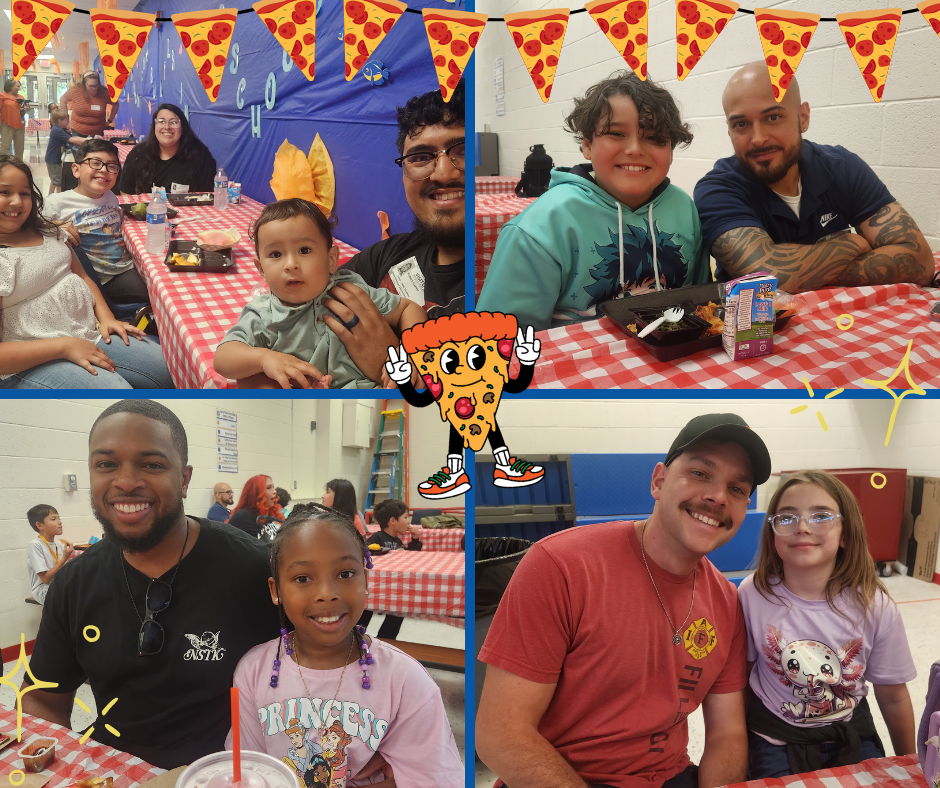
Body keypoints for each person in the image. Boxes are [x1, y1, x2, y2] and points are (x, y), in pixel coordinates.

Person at [477, 413, 773, 788]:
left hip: (669, 777)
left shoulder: (727, 603)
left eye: (736, 489)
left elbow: (726, 734)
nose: (717, 496)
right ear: (659, 481)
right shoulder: (561, 566)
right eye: (700, 473)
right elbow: (500, 734)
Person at [20, 400, 281, 769]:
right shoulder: (73, 583)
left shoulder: (257, 569)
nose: (126, 482)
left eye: (152, 465)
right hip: (115, 768)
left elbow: (330, 663)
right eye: (106, 464)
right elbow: (43, 699)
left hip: (229, 769)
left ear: (185, 479)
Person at [226, 503, 464, 788]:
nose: (327, 594)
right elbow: (247, 768)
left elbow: (435, 777)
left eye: (346, 574)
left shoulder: (405, 679)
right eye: (303, 578)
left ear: (366, 579)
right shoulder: (253, 672)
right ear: (276, 591)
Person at [477, 71, 710, 331]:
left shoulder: (684, 208)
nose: (635, 149)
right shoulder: (541, 227)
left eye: (654, 138)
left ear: (671, 149)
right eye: (616, 134)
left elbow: (700, 303)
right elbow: (501, 338)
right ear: (587, 145)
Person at [694, 63, 935, 290]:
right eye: (741, 124)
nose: (758, 138)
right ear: (729, 129)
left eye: (773, 117)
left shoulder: (842, 167)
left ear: (803, 118)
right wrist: (848, 245)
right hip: (762, 330)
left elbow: (920, 261)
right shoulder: (717, 189)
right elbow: (768, 276)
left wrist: (805, 272)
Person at [739, 470, 916, 779]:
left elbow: (894, 696)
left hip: (850, 733)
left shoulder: (874, 604)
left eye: (821, 516)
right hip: (774, 739)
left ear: (845, 534)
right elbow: (738, 681)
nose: (803, 527)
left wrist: (911, 763)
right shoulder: (753, 593)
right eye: (787, 518)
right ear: (773, 533)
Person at [321, 81, 467, 385]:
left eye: (463, 151)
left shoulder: (510, 278)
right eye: (420, 157)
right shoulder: (388, 255)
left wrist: (386, 358)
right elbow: (304, 307)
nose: (442, 173)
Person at [0, 155, 173, 389]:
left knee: (169, 370)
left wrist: (107, 318)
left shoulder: (46, 229)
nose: (17, 202)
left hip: (86, 332)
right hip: (29, 360)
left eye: (24, 193)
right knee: (118, 391)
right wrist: (65, 346)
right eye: (4, 192)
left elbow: (81, 275)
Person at [213, 198, 425, 389]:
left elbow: (409, 308)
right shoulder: (263, 315)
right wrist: (264, 359)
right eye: (276, 254)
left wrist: (412, 352)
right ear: (261, 270)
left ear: (331, 260)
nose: (291, 264)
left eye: (304, 250)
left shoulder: (350, 290)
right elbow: (223, 358)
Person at [44, 138, 149, 304]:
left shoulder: (111, 197)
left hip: (130, 265)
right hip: (104, 281)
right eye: (95, 163)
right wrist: (53, 226)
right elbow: (25, 228)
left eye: (111, 166)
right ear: (76, 169)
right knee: (157, 289)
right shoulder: (56, 203)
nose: (104, 170)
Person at [118, 104, 216, 195]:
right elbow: (126, 192)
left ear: (183, 129)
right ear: (154, 127)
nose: (167, 127)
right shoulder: (137, 154)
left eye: (173, 122)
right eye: (161, 122)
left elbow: (205, 196)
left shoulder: (200, 157)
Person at [361, 498, 421, 640]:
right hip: (374, 587)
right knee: (365, 612)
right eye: (405, 517)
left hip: (393, 587)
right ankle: (356, 638)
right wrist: (391, 552)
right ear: (393, 521)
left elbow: (410, 558)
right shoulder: (377, 537)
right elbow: (366, 554)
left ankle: (385, 640)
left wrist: (415, 541)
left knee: (398, 612)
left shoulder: (398, 541)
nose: (408, 522)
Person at [25, 504, 74, 605]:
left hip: (60, 585)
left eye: (59, 518)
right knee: (73, 599)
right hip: (43, 590)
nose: (59, 522)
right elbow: (46, 579)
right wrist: (65, 558)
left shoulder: (59, 545)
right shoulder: (35, 545)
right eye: (53, 519)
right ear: (39, 525)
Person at [61, 72, 114, 138]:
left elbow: (116, 104)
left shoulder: (104, 93)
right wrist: (66, 121)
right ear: (84, 84)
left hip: (98, 132)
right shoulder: (75, 91)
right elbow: (63, 100)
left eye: (96, 85)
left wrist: (109, 121)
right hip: (78, 131)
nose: (94, 88)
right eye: (91, 86)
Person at [45, 110, 85, 195]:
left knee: (55, 180)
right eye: (67, 120)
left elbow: (72, 137)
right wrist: (88, 140)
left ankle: (49, 197)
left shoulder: (59, 129)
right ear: (60, 121)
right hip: (53, 160)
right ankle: (59, 200)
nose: (68, 122)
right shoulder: (57, 130)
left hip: (52, 158)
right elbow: (72, 139)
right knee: (58, 183)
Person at [0, 79, 26, 161]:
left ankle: (19, 167)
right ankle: (3, 166)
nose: (19, 88)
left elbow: (25, 108)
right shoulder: (2, 96)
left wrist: (25, 110)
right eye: (17, 86)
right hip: (7, 124)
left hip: (20, 125)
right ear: (10, 86)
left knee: (20, 148)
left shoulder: (21, 97)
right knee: (5, 147)